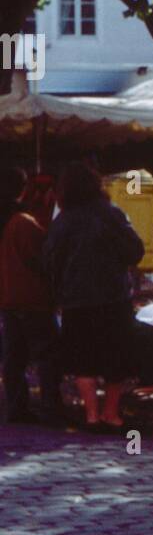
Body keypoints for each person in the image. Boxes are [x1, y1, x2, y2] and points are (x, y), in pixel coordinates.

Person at [43, 162, 144, 432]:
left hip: (76, 301)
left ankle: (91, 415)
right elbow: (135, 251)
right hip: (114, 298)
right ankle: (112, 414)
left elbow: (50, 261)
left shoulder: (62, 221)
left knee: (82, 359)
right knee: (115, 358)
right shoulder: (112, 214)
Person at [0, 166, 63, 425]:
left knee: (14, 357)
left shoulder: (14, 219)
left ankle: (16, 408)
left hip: (8, 296)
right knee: (47, 356)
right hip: (31, 297)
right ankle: (50, 408)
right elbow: (42, 260)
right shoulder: (22, 223)